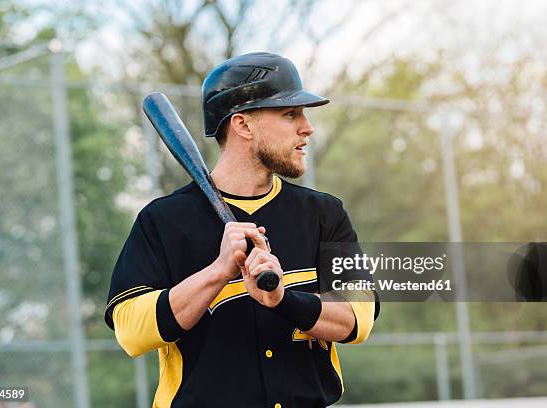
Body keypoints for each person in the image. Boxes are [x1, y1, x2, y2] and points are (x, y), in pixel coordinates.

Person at [105, 52, 379, 408]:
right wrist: (219, 271)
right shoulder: (165, 220)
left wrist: (283, 299)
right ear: (243, 126)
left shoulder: (324, 213)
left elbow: (357, 318)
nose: (307, 127)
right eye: (290, 114)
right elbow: (130, 331)